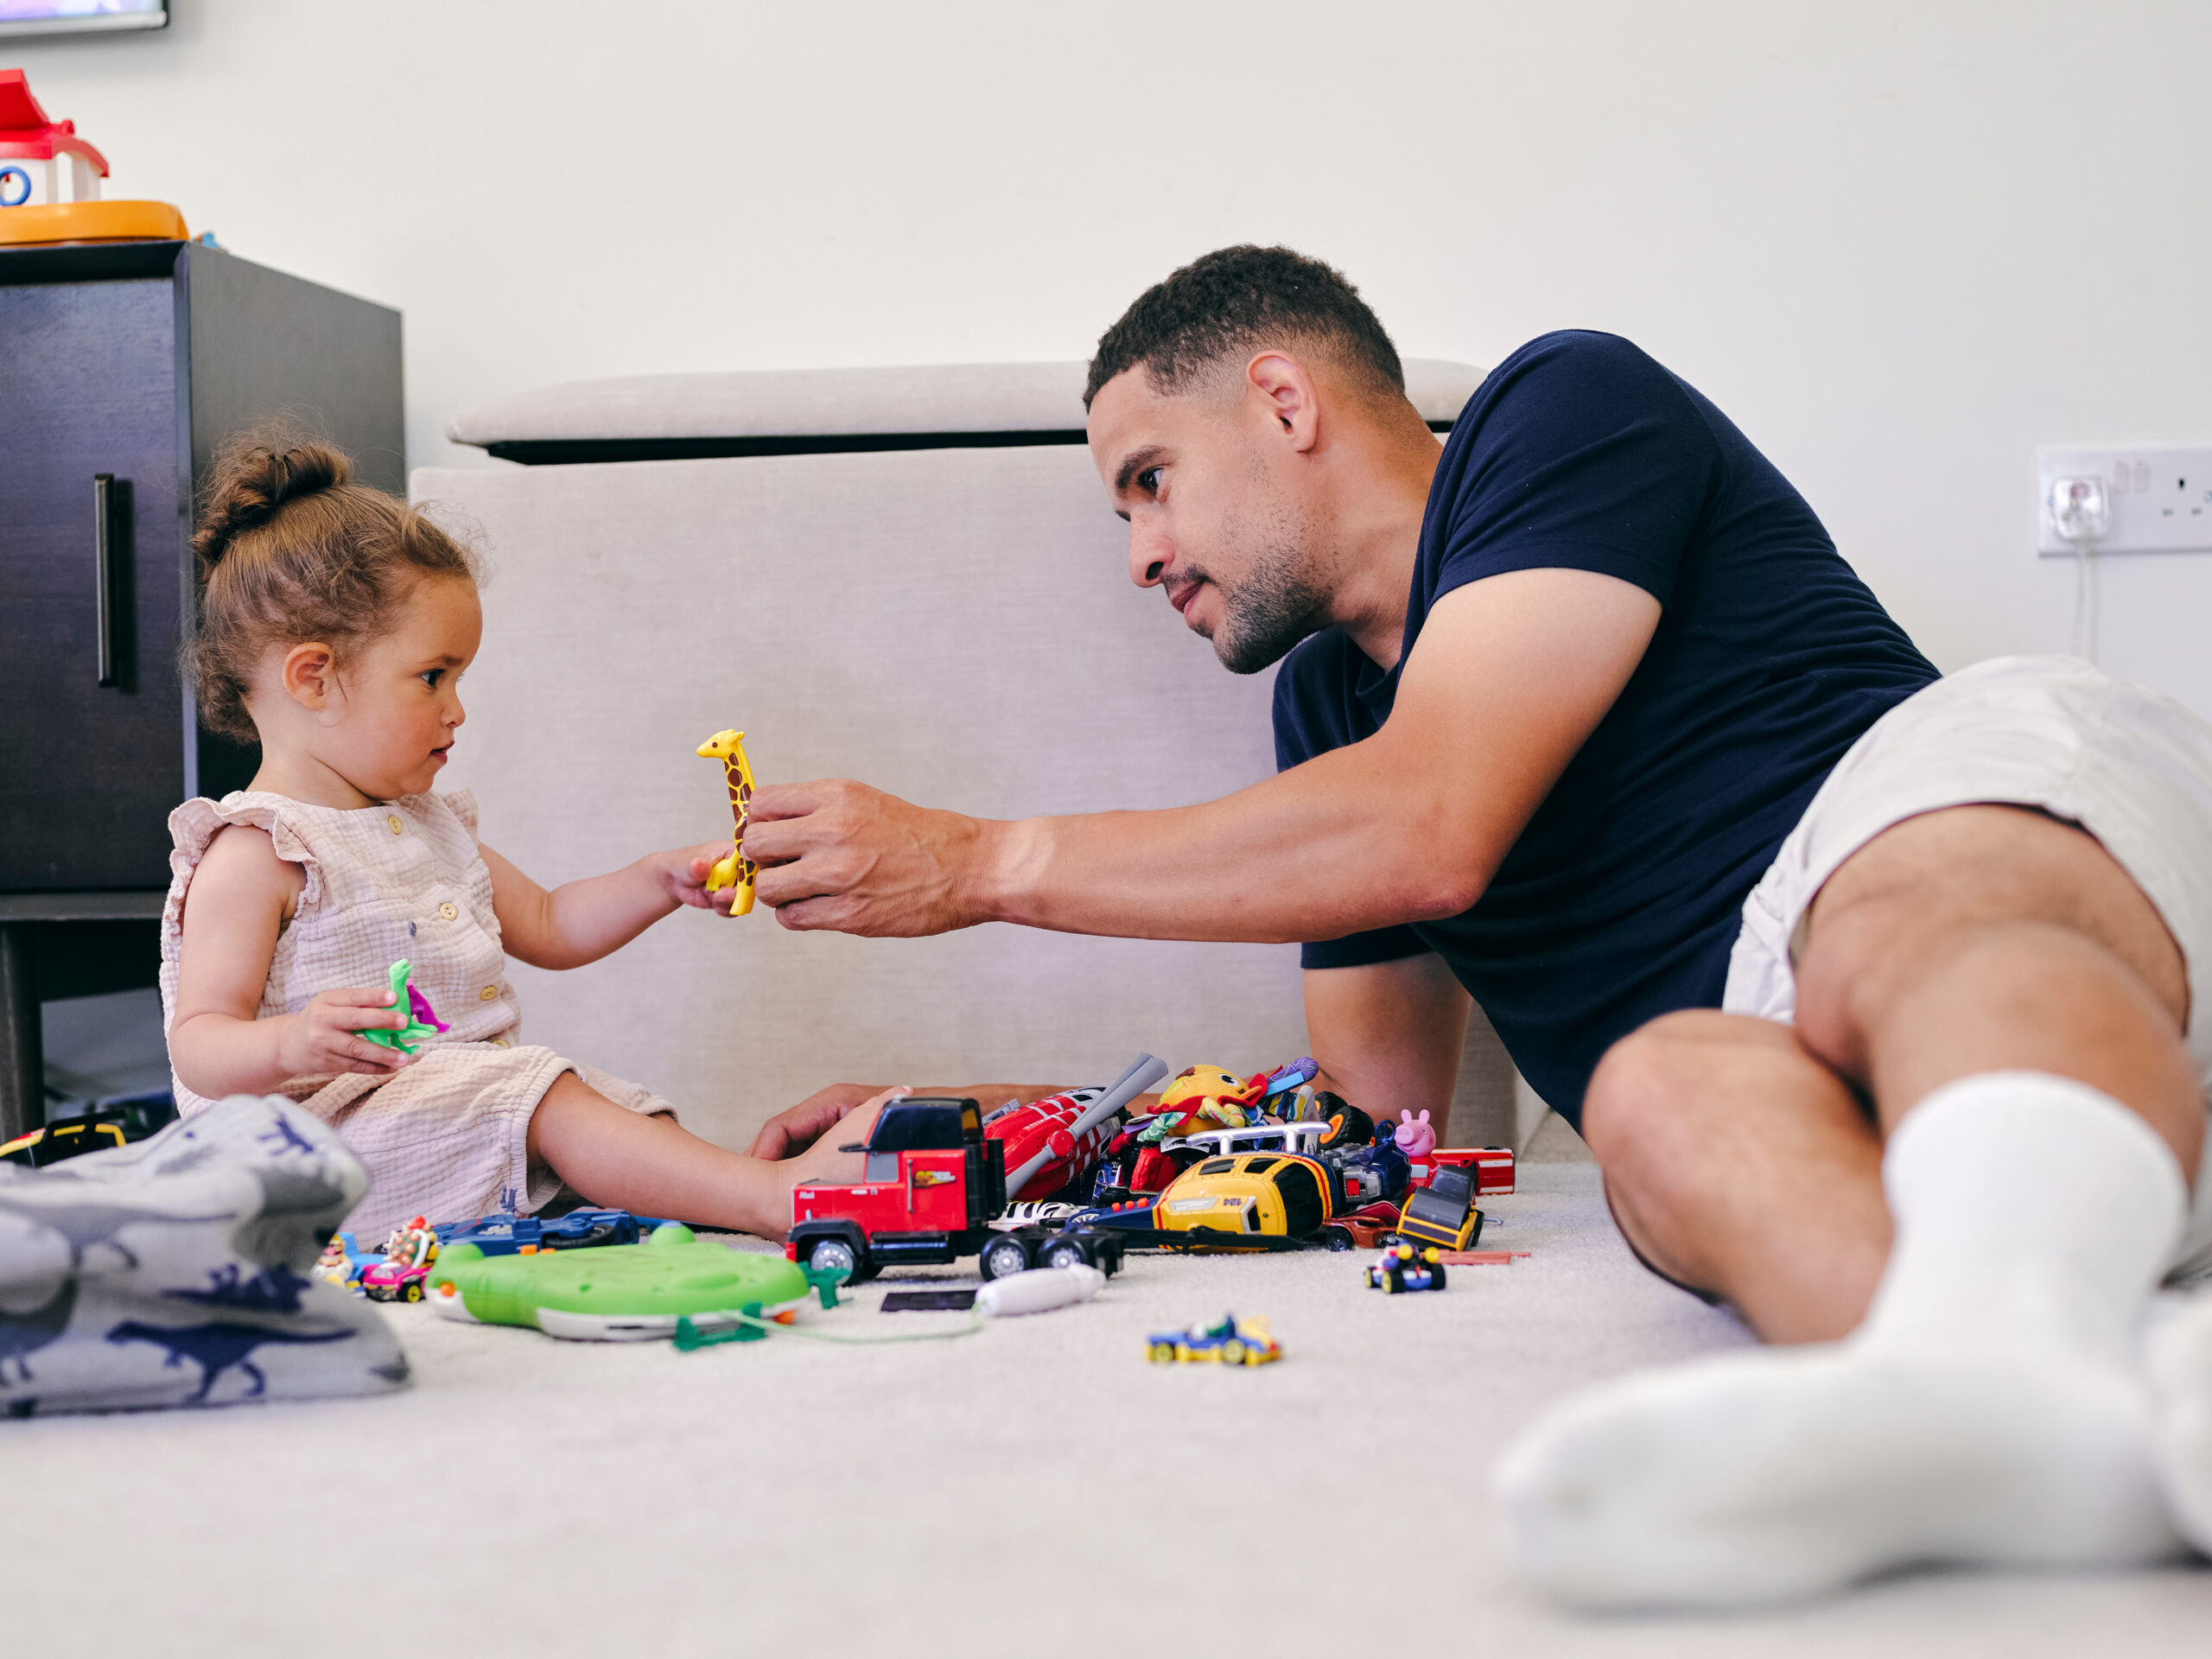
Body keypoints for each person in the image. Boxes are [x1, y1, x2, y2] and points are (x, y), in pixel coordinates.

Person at [721, 245, 2212, 1602]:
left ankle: (2009, 1350)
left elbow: (1433, 823)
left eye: (1150, 481)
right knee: (1651, 1099)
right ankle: (2060, 1412)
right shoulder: (1329, 715)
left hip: (1957, 834)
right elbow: (1367, 1122)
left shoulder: (1561, 410)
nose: (1141, 557)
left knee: (1892, 913)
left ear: (1284, 400)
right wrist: (983, 1124)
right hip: (1782, 1052)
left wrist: (982, 864)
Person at [159, 435, 931, 1243]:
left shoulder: (426, 826)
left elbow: (551, 922)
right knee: (542, 1097)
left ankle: (713, 1200)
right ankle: (772, 1198)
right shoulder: (257, 852)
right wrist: (294, 1041)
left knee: (612, 1107)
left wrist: (658, 881)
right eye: (433, 677)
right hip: (317, 1160)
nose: (457, 710)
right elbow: (199, 1044)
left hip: (441, 1121)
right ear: (314, 677)